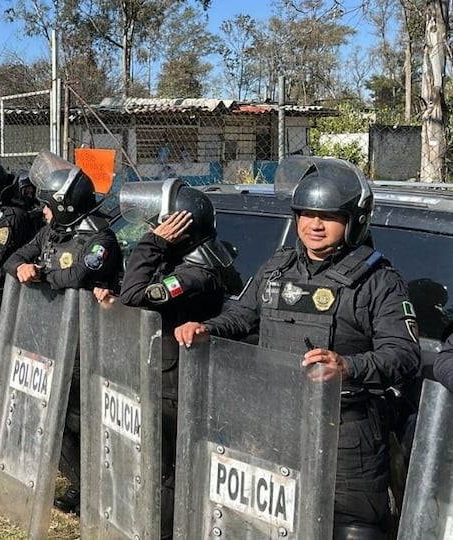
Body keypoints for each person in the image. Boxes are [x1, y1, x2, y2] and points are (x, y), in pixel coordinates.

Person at [174, 156, 421, 538]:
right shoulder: (277, 268)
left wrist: (348, 367)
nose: (314, 225)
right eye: (306, 214)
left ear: (354, 221)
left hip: (346, 432)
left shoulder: (379, 281)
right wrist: (206, 328)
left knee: (351, 527)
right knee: (271, 522)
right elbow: (243, 315)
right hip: (276, 422)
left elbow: (403, 354)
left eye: (328, 216)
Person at [109, 178, 241, 535]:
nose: (153, 231)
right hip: (170, 380)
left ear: (179, 229)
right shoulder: (188, 263)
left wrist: (152, 244)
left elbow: (134, 294)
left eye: (159, 226)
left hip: (177, 387)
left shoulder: (194, 276)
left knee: (167, 471)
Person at [3, 151, 122, 517]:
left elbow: (79, 276)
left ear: (64, 207)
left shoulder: (100, 239)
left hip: (88, 346)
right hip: (50, 337)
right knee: (50, 416)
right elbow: (12, 257)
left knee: (77, 418)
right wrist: (22, 267)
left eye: (49, 206)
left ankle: (99, 488)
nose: (44, 212)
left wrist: (39, 274)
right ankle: (81, 483)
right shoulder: (52, 232)